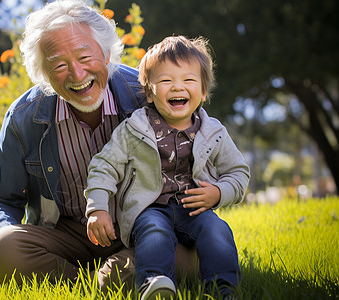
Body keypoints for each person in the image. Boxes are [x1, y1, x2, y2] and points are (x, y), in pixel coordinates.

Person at [0, 0, 196, 289]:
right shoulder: (24, 117)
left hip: (141, 230)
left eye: (84, 57)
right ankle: (104, 285)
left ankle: (96, 283)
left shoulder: (149, 96)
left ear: (106, 54)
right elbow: (2, 200)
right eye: (59, 65)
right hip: (66, 236)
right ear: (42, 72)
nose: (78, 75)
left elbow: (191, 172)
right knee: (2, 249)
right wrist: (4, 231)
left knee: (192, 259)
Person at [85, 35, 250, 299]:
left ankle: (223, 290)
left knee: (217, 230)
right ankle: (154, 284)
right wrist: (98, 208)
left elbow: (238, 173)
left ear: (204, 91)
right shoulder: (134, 129)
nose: (177, 87)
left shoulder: (214, 132)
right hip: (150, 207)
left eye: (188, 80)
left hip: (194, 209)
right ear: (149, 93)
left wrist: (219, 193)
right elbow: (103, 167)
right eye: (165, 81)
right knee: (154, 231)